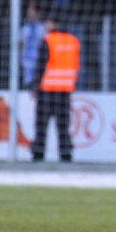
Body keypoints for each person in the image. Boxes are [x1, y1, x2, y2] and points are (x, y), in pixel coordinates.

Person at [30, 19, 80, 162]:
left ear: (54, 24)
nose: (45, 25)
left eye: (48, 22)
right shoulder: (73, 41)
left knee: (41, 125)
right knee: (63, 126)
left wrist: (35, 86)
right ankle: (66, 155)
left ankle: (38, 154)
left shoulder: (48, 40)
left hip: (47, 89)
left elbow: (41, 65)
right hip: (65, 90)